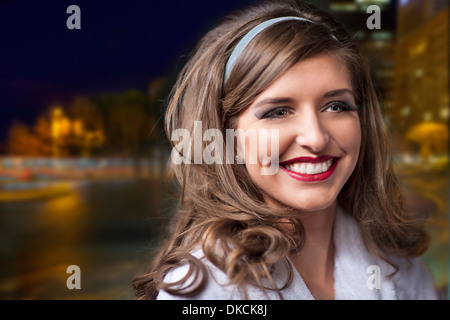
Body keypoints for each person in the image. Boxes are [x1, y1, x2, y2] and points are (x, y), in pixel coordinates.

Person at [133, 0, 438, 300]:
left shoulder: (405, 272)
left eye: (336, 106)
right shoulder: (201, 292)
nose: (316, 138)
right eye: (278, 111)